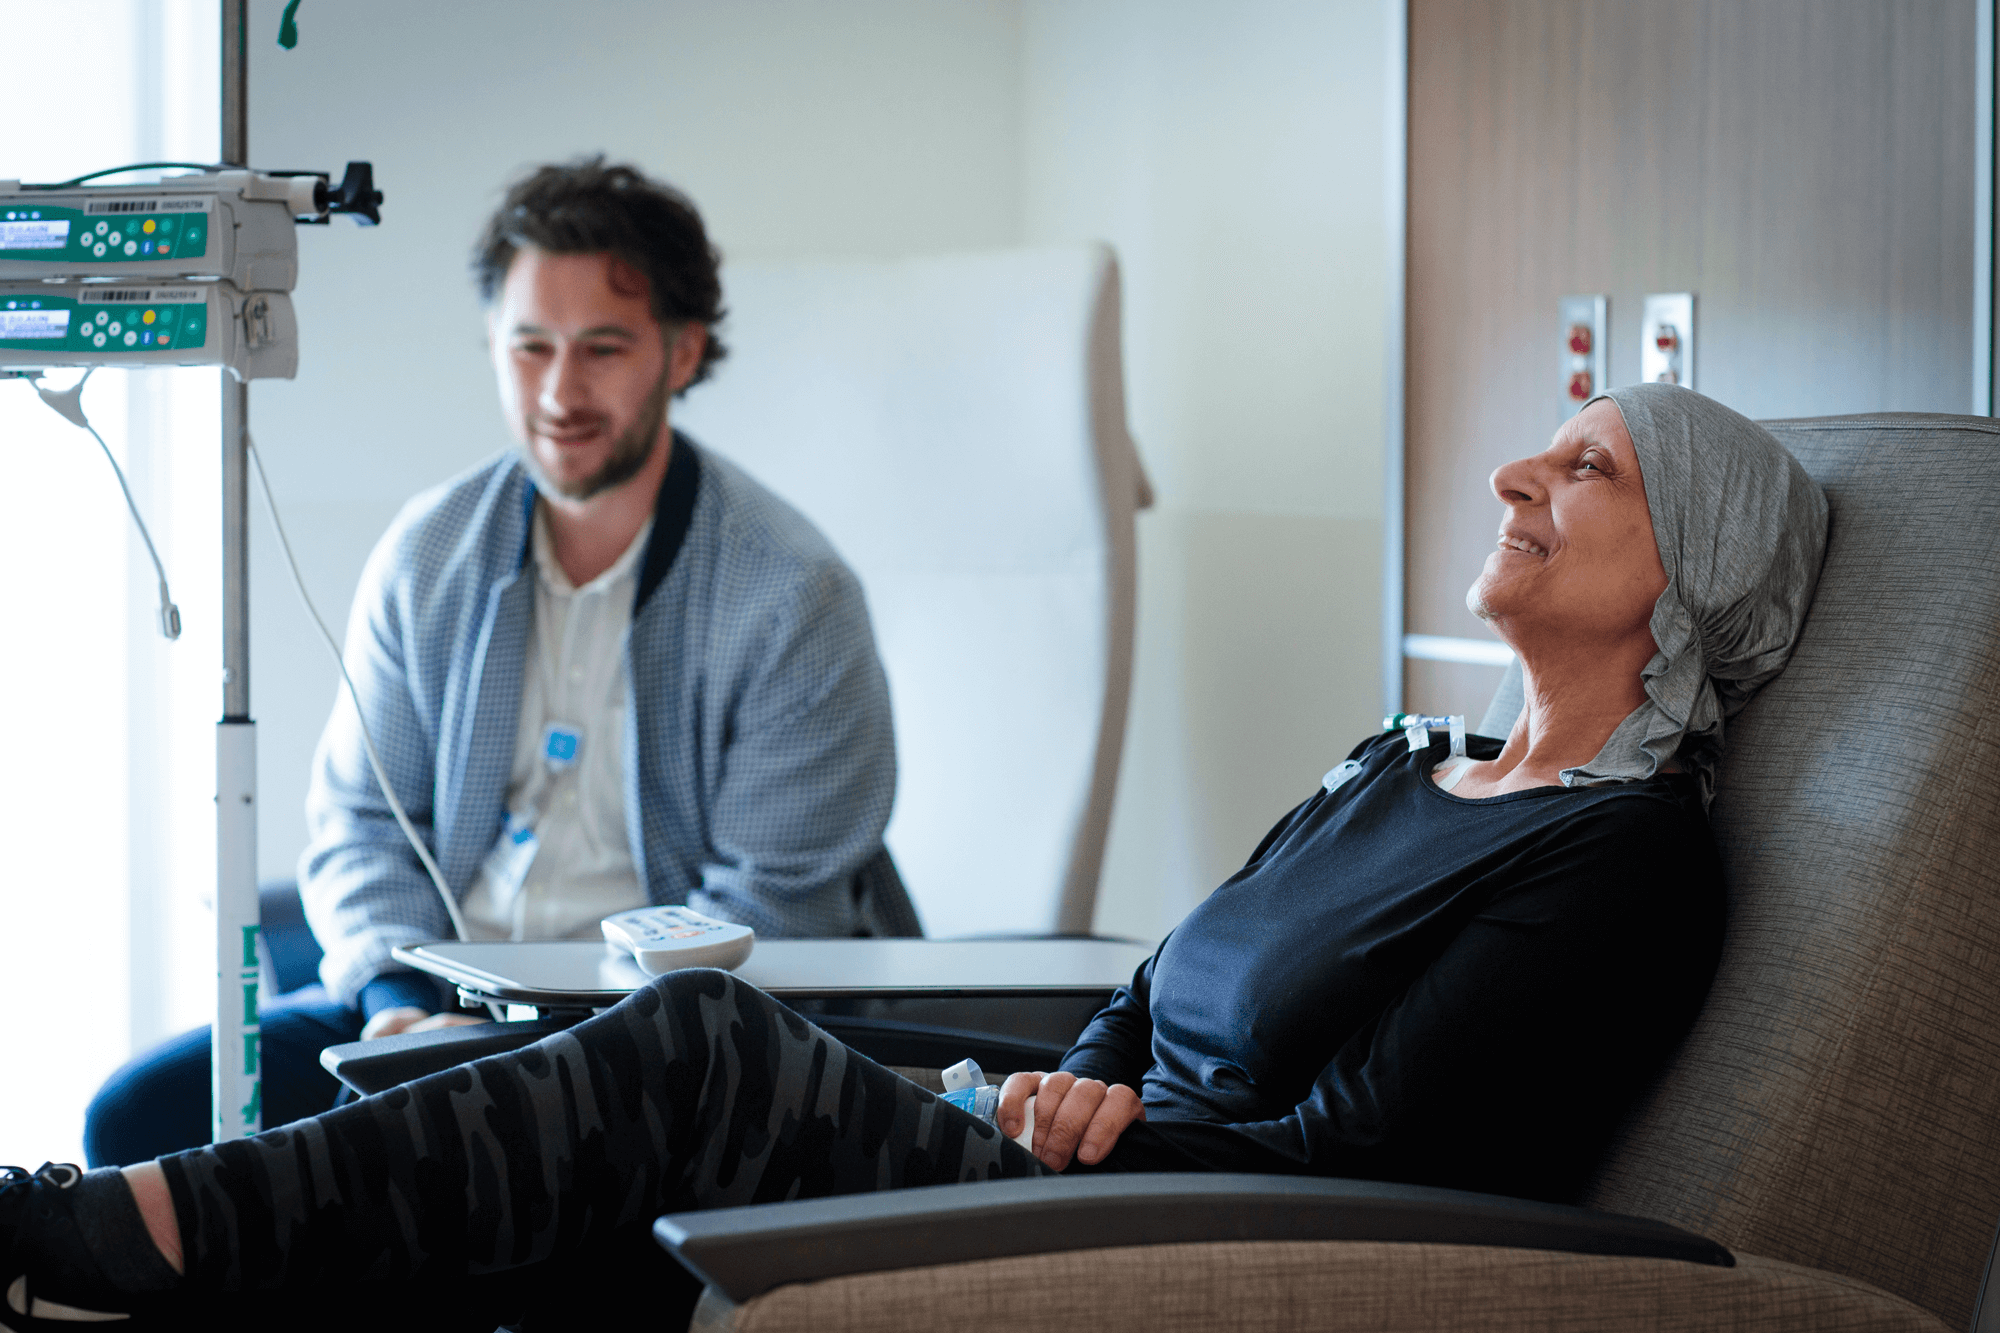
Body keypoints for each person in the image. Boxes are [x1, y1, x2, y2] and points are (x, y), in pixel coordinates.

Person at [3, 384, 1829, 1330]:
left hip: (1173, 1223)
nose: (1517, 471)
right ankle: (140, 1273)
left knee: (696, 1043)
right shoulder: (1402, 763)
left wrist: (1099, 1129)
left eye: (1587, 467)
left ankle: (115, 1246)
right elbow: (1149, 989)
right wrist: (1070, 1083)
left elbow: (1386, 1149)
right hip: (1070, 1153)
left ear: (1696, 580)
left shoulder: (1625, 865)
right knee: (444, 1057)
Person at [80, 159, 920, 1168]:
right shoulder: (428, 553)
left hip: (671, 1045)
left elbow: (774, 911)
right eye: (530, 348)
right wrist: (398, 1011)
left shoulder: (792, 597)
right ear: (493, 346)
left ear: (682, 353)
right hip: (440, 1012)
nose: (560, 392)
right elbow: (362, 827)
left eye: (603, 349)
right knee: (140, 1121)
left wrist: (555, 1058)